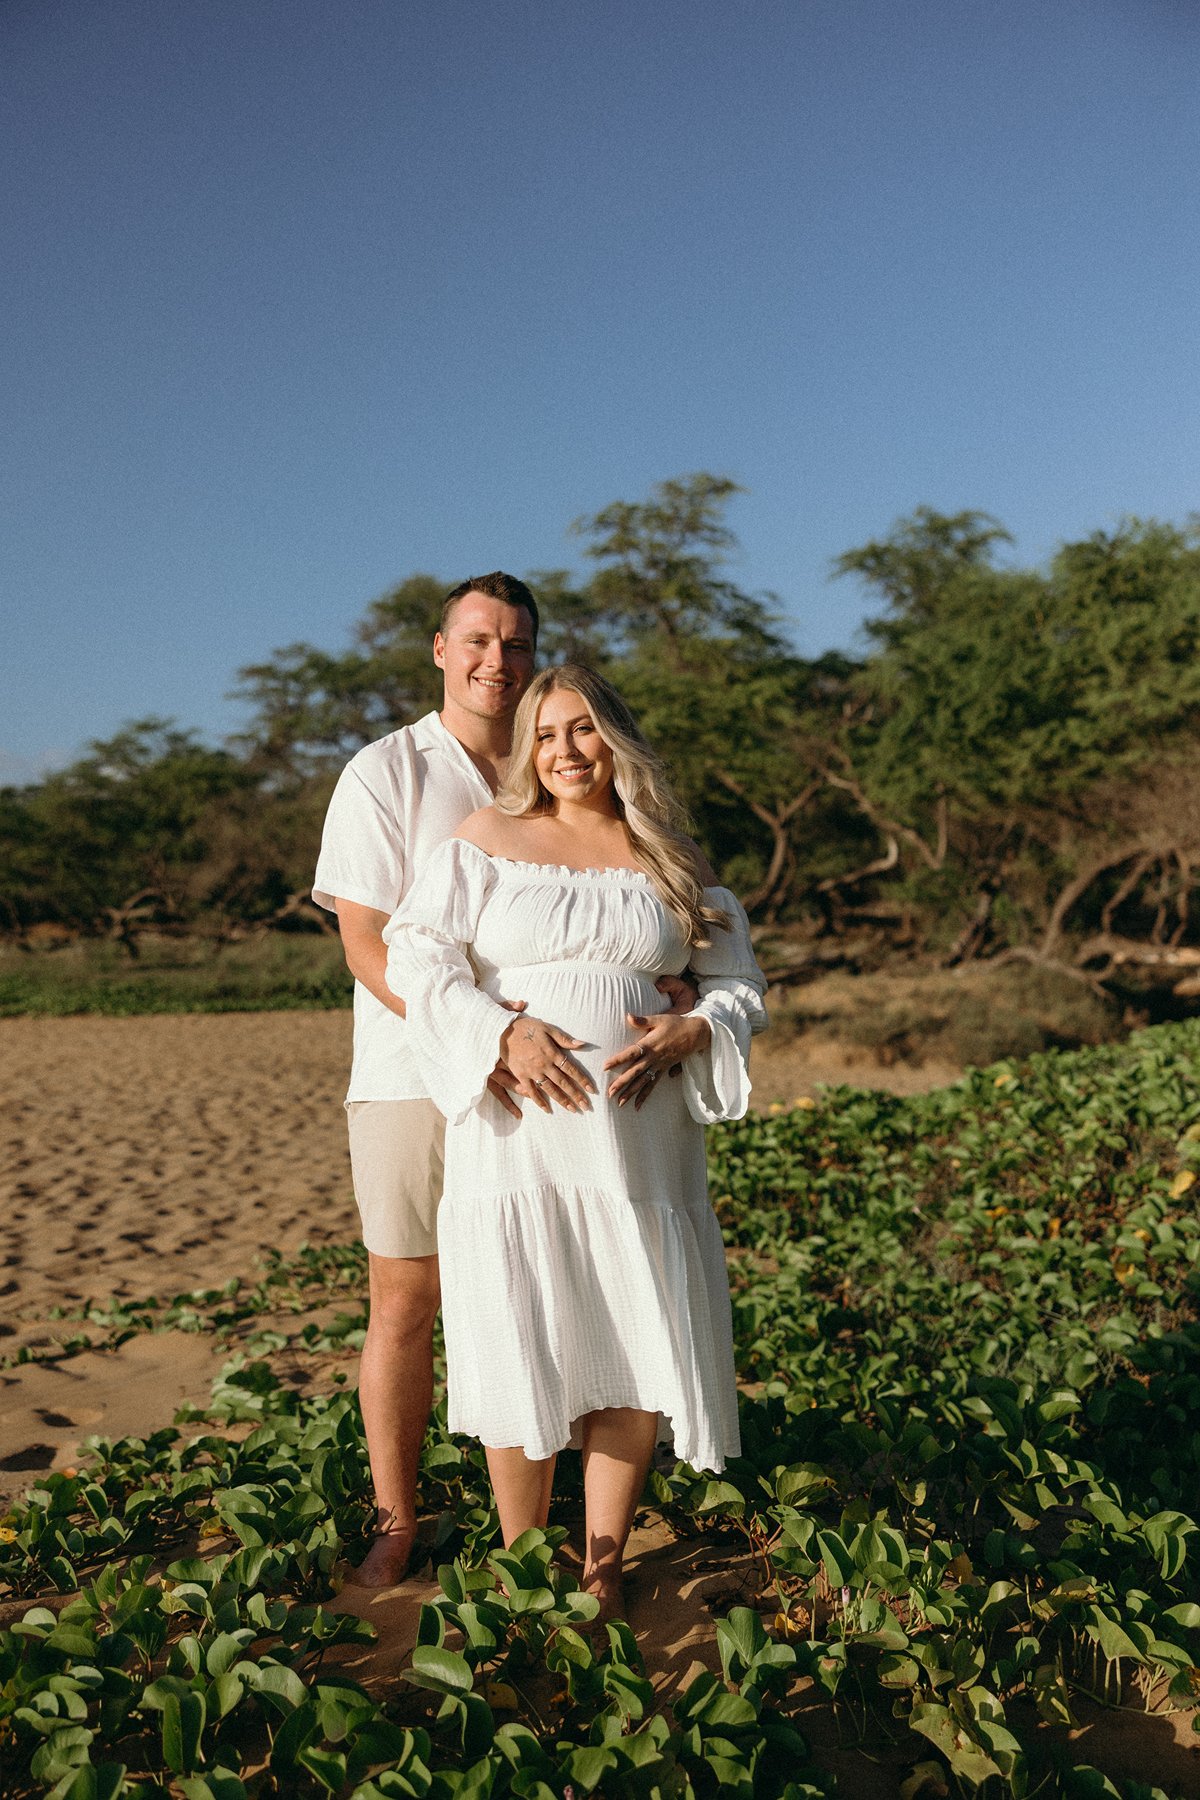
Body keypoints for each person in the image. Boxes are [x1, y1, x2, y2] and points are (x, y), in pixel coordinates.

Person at [313, 580, 695, 1587]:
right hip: (412, 1073)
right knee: (410, 1296)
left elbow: (638, 913)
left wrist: (659, 982)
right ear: (441, 649)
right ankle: (398, 1519)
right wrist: (493, 1039)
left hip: (564, 1097)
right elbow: (368, 942)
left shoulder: (559, 764)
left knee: (550, 1282)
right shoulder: (386, 771)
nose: (498, 658)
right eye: (478, 639)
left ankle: (574, 1531)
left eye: (516, 642)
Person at [383, 664, 767, 1617]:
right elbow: (419, 955)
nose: (563, 751)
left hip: (641, 1146)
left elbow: (740, 982)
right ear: (526, 750)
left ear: (617, 740)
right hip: (521, 1140)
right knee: (522, 1329)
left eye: (583, 730)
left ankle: (602, 1565)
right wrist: (498, 1033)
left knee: (630, 1334)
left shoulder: (669, 858)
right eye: (545, 735)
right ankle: (522, 1561)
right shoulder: (487, 841)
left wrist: (698, 1026)